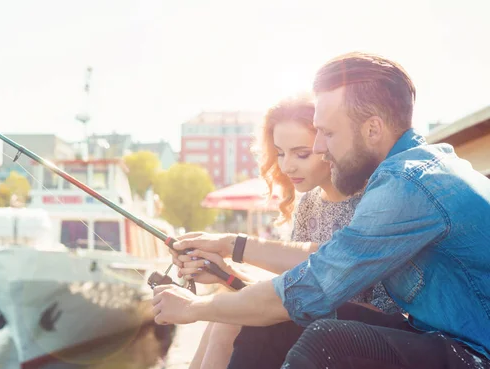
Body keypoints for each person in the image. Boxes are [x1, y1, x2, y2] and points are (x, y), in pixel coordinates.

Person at [152, 52, 490, 369]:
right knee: (274, 323)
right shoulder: (415, 170)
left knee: (326, 338)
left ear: (372, 129)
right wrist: (229, 251)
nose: (318, 146)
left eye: (327, 133)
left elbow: (312, 287)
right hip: (437, 340)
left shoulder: (406, 184)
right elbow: (315, 269)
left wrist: (195, 307)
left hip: (474, 354)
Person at [185, 97, 398, 369]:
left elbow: (363, 300)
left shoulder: (370, 201)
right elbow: (292, 285)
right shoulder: (308, 204)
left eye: (301, 154)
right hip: (317, 316)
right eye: (281, 153)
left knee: (234, 319)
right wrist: (224, 272)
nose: (287, 167)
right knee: (228, 310)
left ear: (328, 144)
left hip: (374, 331)